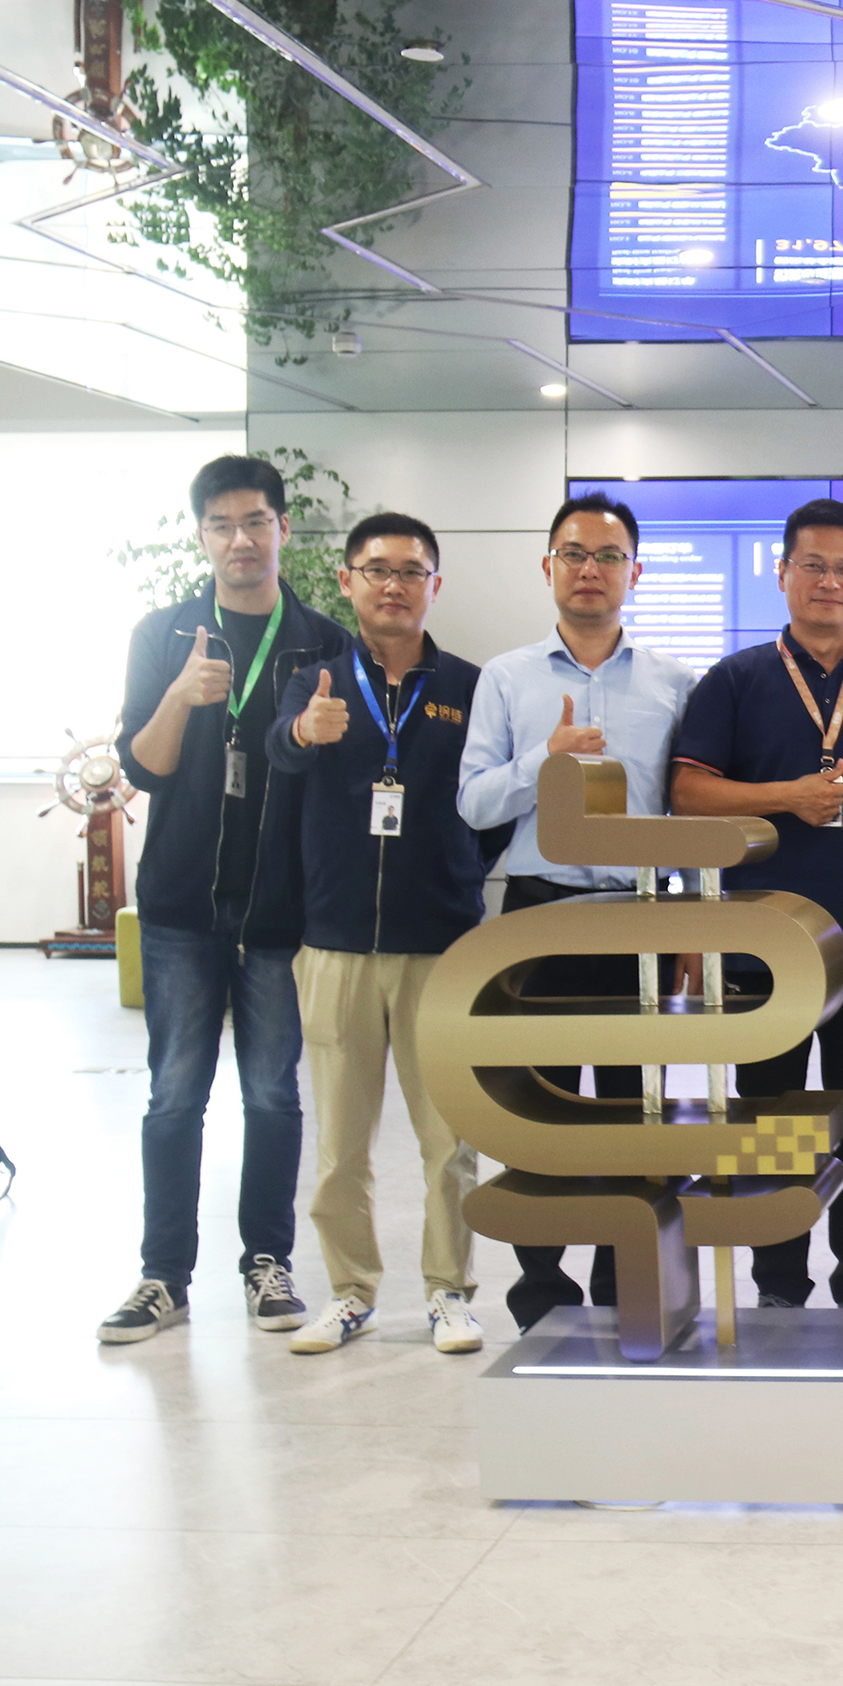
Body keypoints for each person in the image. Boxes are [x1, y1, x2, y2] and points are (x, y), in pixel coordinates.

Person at [101, 455, 349, 1344]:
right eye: (221, 525)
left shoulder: (323, 643)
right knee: (174, 1094)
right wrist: (178, 694)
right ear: (202, 536)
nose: (239, 539)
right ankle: (163, 1276)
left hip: (281, 909)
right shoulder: (164, 633)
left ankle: (267, 1262)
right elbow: (143, 768)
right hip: (180, 906)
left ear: (282, 528)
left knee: (273, 1095)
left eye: (255, 521)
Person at [675, 497, 843, 1308]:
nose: (829, 581)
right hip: (762, 947)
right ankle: (778, 1281)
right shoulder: (736, 679)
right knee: (771, 1122)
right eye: (813, 566)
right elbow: (688, 794)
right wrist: (786, 795)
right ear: (782, 573)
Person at [266, 513, 509, 1357]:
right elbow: (280, 755)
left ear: (434, 585)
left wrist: (457, 872)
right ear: (347, 581)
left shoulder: (471, 685)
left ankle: (448, 1292)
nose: (394, 585)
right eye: (377, 569)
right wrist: (303, 732)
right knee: (340, 1144)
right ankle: (349, 1292)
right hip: (334, 944)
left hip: (440, 945)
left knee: (449, 1138)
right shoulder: (315, 680)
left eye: (411, 571)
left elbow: (493, 805)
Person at [459, 493, 696, 1333]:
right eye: (573, 553)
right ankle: (542, 1295)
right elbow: (475, 802)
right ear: (547, 565)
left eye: (607, 555)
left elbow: (682, 807)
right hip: (540, 916)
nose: (589, 569)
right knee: (545, 1109)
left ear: (635, 570)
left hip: (640, 913)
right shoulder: (506, 677)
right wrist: (544, 760)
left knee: (636, 1109)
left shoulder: (675, 682)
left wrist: (687, 924)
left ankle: (622, 1282)